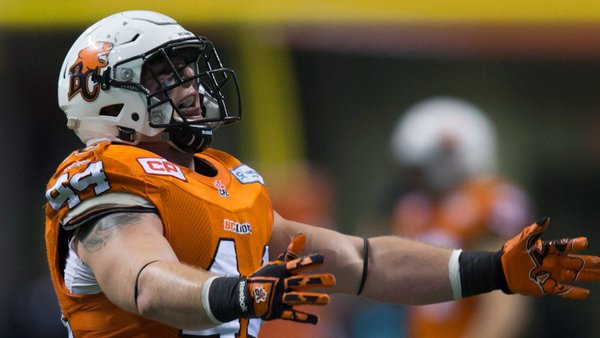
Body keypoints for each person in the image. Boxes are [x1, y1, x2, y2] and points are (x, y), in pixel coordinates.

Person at [44, 10, 600, 338]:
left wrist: (490, 270)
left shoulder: (228, 181)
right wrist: (238, 294)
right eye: (167, 74)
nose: (192, 84)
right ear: (109, 97)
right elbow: (141, 280)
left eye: (189, 68)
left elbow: (361, 262)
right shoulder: (107, 176)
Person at [387, 97, 532, 337]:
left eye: (419, 168)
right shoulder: (421, 208)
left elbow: (505, 300)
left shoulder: (485, 204)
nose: (413, 178)